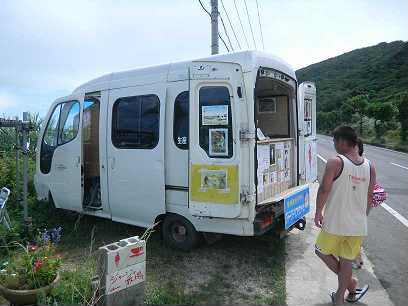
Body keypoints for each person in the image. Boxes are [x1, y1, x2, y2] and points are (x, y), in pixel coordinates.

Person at [314, 126, 376, 305]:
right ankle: (343, 294)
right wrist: (362, 217)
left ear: (342, 141)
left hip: (336, 222)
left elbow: (324, 189)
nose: (334, 145)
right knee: (347, 260)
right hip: (357, 225)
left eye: (334, 141)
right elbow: (369, 196)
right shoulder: (370, 166)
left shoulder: (335, 162)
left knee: (321, 251)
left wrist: (318, 211)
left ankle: (349, 285)